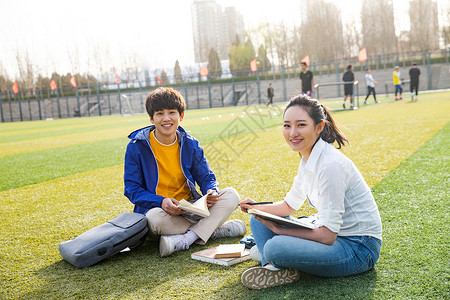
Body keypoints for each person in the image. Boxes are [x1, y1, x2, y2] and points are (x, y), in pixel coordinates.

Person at [239, 94, 382, 289]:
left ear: (319, 127)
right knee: (259, 220)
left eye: (301, 125)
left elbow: (328, 236)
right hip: (331, 235)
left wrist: (280, 231)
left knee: (274, 246)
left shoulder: (330, 165)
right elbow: (288, 206)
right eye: (287, 125)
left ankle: (273, 257)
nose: (292, 133)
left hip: (357, 248)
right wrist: (256, 208)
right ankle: (272, 267)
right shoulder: (308, 158)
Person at [124, 87, 246, 257]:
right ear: (151, 118)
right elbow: (132, 189)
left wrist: (211, 191)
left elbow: (206, 177)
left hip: (192, 208)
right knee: (153, 220)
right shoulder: (136, 147)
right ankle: (214, 230)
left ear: (180, 116)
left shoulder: (190, 144)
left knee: (231, 195)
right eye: (159, 113)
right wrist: (161, 201)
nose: (166, 118)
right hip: (161, 212)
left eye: (172, 112)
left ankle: (187, 239)